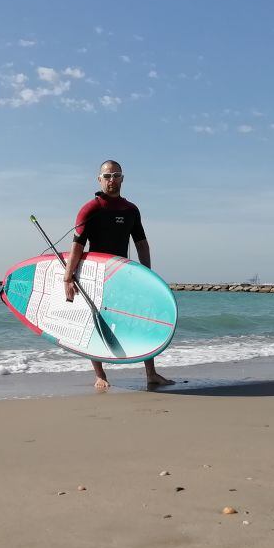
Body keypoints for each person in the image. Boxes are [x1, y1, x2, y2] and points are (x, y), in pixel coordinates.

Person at [63, 160, 174, 390]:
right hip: (95, 275)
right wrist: (68, 277)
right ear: (99, 179)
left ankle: (151, 374)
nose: (111, 180)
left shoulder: (131, 210)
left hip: (123, 274)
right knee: (96, 323)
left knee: (141, 319)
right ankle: (100, 375)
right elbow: (77, 246)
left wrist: (148, 276)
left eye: (116, 175)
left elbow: (142, 244)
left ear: (123, 178)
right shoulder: (90, 209)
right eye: (107, 176)